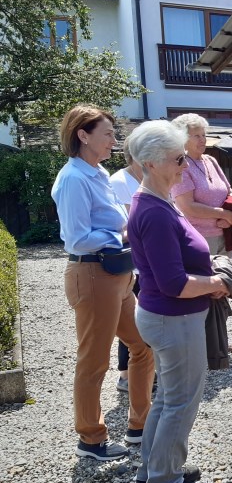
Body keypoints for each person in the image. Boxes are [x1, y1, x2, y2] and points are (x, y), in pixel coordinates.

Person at [127, 119, 227, 483]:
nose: (185, 166)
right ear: (152, 163)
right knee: (180, 401)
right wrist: (216, 282)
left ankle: (152, 471)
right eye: (178, 159)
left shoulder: (156, 200)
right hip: (172, 316)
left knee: (168, 398)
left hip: (167, 315)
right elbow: (175, 283)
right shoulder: (153, 210)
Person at [50, 105, 155, 461]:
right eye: (108, 133)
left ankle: (140, 426)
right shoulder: (74, 179)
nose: (115, 140)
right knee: (94, 362)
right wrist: (121, 233)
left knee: (143, 345)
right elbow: (76, 239)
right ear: (83, 135)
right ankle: (91, 439)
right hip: (93, 274)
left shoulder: (96, 173)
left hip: (116, 273)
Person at [171, 113, 232, 354]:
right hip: (198, 238)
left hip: (222, 233)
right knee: (204, 289)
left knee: (222, 286)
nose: (203, 140)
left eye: (204, 135)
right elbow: (186, 206)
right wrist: (221, 213)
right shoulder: (180, 164)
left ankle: (220, 339)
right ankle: (200, 345)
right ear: (182, 138)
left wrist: (227, 215)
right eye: (196, 136)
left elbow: (229, 189)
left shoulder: (210, 160)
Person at [109, 136, 143, 393]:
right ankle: (125, 374)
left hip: (149, 261)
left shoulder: (147, 178)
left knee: (144, 318)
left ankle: (145, 370)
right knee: (131, 319)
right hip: (133, 262)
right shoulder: (120, 182)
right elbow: (129, 225)